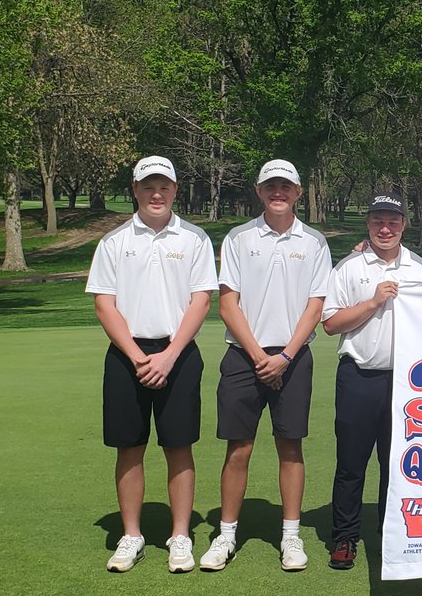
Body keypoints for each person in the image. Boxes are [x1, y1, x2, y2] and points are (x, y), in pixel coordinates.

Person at [86, 156, 218, 573]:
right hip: (128, 356)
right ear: (136, 190)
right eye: (148, 186)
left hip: (178, 353)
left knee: (179, 445)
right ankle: (132, 536)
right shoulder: (113, 242)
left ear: (175, 190)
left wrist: (169, 354)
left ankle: (180, 535)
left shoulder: (194, 239)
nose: (156, 194)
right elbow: (104, 304)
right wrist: (139, 356)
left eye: (164, 186)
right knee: (130, 447)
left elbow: (201, 300)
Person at [199, 159, 330, 572]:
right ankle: (226, 534)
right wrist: (259, 356)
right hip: (244, 355)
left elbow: (315, 305)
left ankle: (290, 537)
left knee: (290, 446)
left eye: (285, 187)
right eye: (270, 186)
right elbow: (227, 303)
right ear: (259, 191)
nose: (278, 192)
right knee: (238, 447)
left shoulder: (314, 242)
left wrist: (286, 356)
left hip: (293, 356)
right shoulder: (239, 238)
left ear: (297, 192)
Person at [322, 192, 422, 570]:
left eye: (393, 222)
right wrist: (371, 303)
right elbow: (330, 324)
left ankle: (392, 535)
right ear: (368, 223)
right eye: (378, 221)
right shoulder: (349, 267)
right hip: (358, 377)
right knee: (351, 464)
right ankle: (344, 537)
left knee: (398, 466)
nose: (385, 229)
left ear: (404, 225)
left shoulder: (420, 270)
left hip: (408, 384)